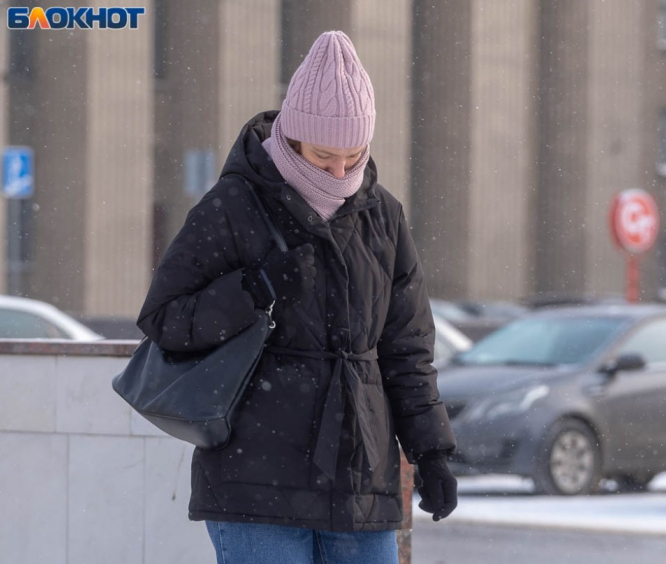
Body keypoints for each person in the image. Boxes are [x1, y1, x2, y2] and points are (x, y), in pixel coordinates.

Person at [136, 30, 458, 564]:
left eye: (354, 155)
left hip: (360, 484)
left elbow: (407, 350)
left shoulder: (383, 217)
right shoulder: (234, 206)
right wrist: (254, 289)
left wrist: (431, 451)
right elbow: (165, 318)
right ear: (290, 138)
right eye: (324, 155)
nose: (339, 172)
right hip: (254, 479)